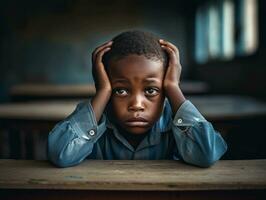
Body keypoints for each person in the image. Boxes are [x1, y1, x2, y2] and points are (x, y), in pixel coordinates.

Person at [48, 30, 227, 168]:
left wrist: (173, 87)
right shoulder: (95, 116)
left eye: (151, 90)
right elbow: (60, 154)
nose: (136, 105)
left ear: (164, 90)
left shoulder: (175, 120)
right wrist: (102, 91)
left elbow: (206, 154)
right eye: (120, 91)